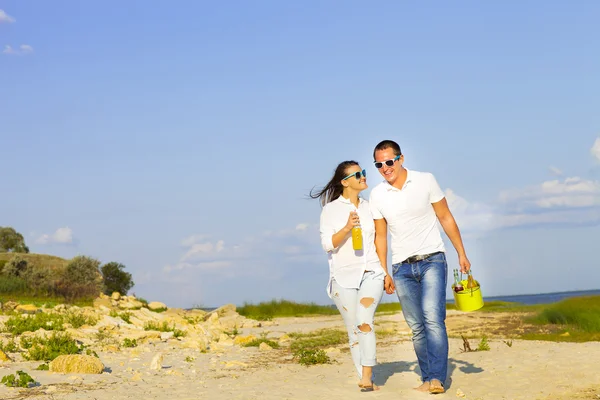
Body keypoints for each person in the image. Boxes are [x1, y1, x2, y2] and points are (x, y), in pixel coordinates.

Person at [368, 140, 471, 395]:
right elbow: (380, 238)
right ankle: (426, 377)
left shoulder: (425, 180)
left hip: (432, 260)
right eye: (379, 164)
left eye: (389, 162)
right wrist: (384, 273)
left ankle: (436, 378)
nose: (385, 168)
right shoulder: (377, 194)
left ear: (401, 159)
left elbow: (445, 217)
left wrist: (461, 252)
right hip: (401, 268)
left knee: (433, 319)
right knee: (416, 326)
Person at [310, 160, 387, 392]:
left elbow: (379, 240)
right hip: (343, 277)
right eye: (358, 174)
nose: (364, 176)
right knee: (353, 328)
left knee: (364, 321)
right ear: (345, 182)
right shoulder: (330, 210)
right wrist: (345, 228)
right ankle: (365, 378)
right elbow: (327, 245)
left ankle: (367, 375)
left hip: (371, 271)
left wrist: (385, 272)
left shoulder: (370, 206)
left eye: (363, 172)